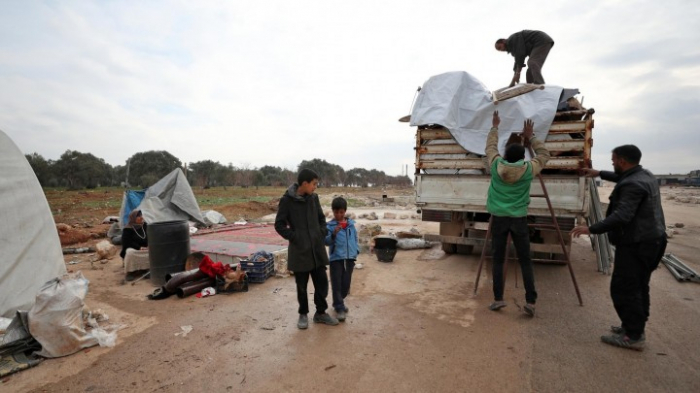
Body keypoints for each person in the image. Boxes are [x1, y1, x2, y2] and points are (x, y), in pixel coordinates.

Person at [571, 145, 666, 351]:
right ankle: (633, 326)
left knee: (624, 289)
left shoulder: (632, 185)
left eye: (613, 161)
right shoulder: (645, 175)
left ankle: (633, 335)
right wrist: (598, 173)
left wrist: (592, 228)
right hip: (652, 240)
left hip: (637, 244)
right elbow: (623, 179)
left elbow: (622, 216)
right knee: (639, 285)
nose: (612, 163)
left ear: (622, 161)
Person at [485, 111, 550, 316]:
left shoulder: (496, 165)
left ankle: (498, 299)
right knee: (525, 260)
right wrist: (531, 137)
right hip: (519, 219)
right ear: (523, 157)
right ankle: (530, 302)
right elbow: (544, 155)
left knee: (497, 259)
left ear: (505, 156)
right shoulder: (529, 169)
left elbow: (490, 147)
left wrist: (495, 126)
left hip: (499, 219)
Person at [274, 168, 339, 329]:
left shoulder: (313, 198)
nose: (315, 187)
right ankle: (303, 314)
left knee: (322, 283)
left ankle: (320, 313)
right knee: (301, 285)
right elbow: (279, 225)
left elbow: (321, 219)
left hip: (316, 248)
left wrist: (321, 232)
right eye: (314, 184)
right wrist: (295, 237)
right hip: (300, 250)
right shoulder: (287, 201)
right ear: (304, 183)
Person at [325, 197, 359, 322]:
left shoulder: (351, 225)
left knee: (346, 285)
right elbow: (326, 241)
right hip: (336, 259)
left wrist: (356, 251)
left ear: (345, 211)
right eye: (336, 212)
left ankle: (339, 302)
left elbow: (355, 238)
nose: (339, 215)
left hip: (350, 258)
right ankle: (339, 307)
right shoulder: (329, 226)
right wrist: (333, 234)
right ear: (333, 212)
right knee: (336, 284)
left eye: (341, 212)